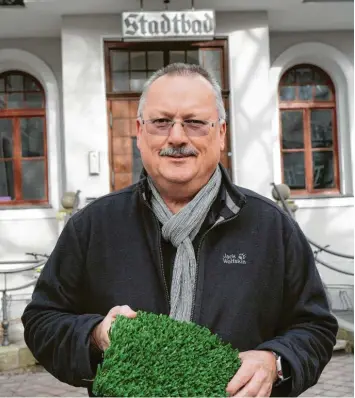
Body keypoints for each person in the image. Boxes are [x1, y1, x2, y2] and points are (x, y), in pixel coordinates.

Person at [22, 63, 337, 397]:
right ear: (140, 133)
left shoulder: (271, 226)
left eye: (195, 122)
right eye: (161, 122)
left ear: (221, 133)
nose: (176, 137)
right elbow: (43, 321)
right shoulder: (93, 226)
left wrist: (274, 361)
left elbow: (315, 327)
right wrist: (96, 335)